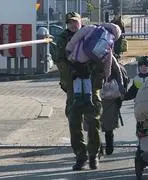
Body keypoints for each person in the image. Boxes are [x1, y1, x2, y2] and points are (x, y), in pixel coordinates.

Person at [55, 12, 105, 171]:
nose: (72, 25)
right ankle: (80, 155)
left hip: (91, 84)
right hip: (73, 85)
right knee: (74, 122)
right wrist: (72, 69)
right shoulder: (63, 39)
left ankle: (93, 155)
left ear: (80, 22)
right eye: (69, 23)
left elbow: (100, 54)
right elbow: (59, 58)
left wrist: (92, 70)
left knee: (93, 121)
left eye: (75, 22)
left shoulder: (90, 34)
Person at [100, 58, 129, 155]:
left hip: (110, 95)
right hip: (103, 94)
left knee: (107, 123)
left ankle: (107, 145)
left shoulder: (109, 57)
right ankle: (99, 147)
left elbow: (119, 73)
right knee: (95, 124)